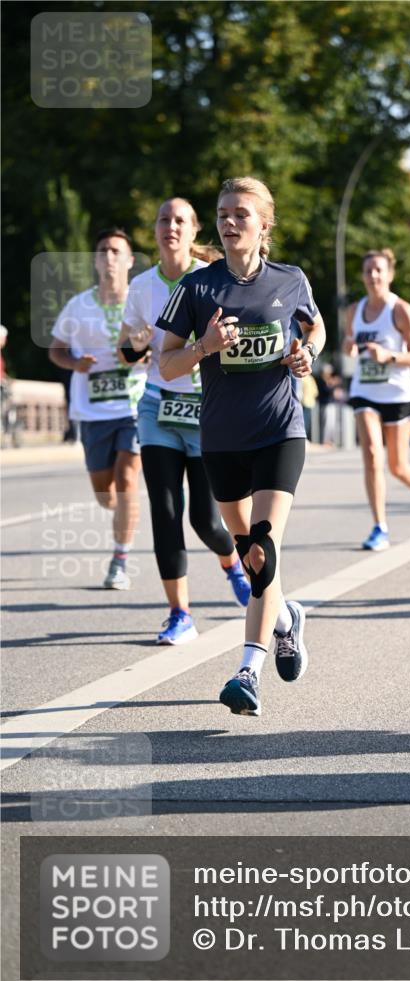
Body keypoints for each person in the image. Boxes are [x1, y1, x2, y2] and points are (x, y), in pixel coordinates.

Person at [157, 176, 326, 717]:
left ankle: (247, 672)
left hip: (280, 430)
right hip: (222, 439)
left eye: (241, 214)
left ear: (264, 224)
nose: (230, 222)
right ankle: (286, 619)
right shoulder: (197, 287)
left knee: (264, 549)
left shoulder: (291, 279)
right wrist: (205, 345)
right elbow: (166, 364)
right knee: (250, 560)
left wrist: (306, 355)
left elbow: (314, 330)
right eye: (223, 213)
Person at [119, 197, 251, 645]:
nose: (170, 227)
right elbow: (128, 348)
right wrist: (135, 344)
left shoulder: (210, 280)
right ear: (155, 230)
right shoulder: (140, 287)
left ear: (194, 231)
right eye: (163, 220)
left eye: (180, 221)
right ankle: (180, 614)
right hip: (157, 405)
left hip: (205, 409)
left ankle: (232, 561)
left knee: (205, 519)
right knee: (165, 510)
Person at [49, 229, 146, 590]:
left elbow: (162, 344)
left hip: (134, 404)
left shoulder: (140, 303)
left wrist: (146, 352)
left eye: (117, 251)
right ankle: (125, 512)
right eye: (103, 250)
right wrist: (75, 364)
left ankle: (120, 560)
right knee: (106, 494)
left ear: (129, 261)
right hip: (91, 411)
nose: (109, 256)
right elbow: (56, 350)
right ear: (95, 259)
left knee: (126, 481)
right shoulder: (78, 305)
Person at [344, 248, 410, 551]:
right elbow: (349, 346)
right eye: (368, 270)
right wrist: (349, 347)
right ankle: (379, 527)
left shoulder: (400, 310)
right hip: (365, 391)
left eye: (379, 270)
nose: (373, 276)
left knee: (398, 465)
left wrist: (389, 356)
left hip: (398, 393)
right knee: (372, 455)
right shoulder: (354, 311)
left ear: (389, 274)